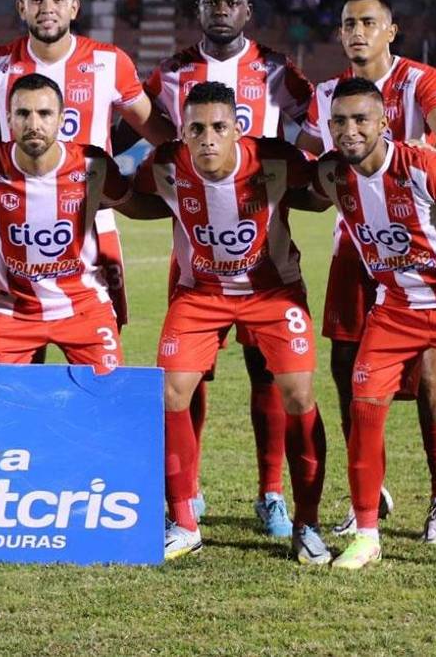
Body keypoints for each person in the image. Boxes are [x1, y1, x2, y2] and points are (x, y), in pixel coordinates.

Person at [130, 0, 315, 536]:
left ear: (247, 10)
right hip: (198, 248)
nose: (221, 11)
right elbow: (135, 124)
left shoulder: (277, 69)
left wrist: (286, 176)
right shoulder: (171, 72)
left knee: (269, 374)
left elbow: (316, 125)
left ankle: (271, 493)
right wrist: (180, 171)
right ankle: (190, 492)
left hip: (261, 243)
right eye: (211, 2)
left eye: (231, 2)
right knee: (190, 378)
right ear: (199, 9)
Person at [317, 79, 436, 579]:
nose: (349, 130)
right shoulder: (331, 174)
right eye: (339, 121)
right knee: (364, 411)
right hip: (395, 310)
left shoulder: (424, 166)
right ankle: (366, 535)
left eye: (360, 119)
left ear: (383, 122)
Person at [133, 82, 330, 565]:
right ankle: (184, 522)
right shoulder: (164, 164)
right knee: (171, 392)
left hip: (273, 293)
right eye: (196, 129)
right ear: (182, 132)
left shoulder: (275, 160)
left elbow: (321, 191)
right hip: (201, 294)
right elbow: (130, 198)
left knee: (299, 395)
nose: (207, 138)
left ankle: (306, 525)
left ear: (238, 128)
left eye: (219, 127)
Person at [296, 0, 436, 541]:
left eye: (369, 22)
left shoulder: (418, 79)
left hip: (414, 246)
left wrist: (418, 173)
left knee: (427, 368)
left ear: (391, 30)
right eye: (349, 24)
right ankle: (370, 489)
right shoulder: (327, 94)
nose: (358, 32)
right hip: (355, 244)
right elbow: (306, 156)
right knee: (346, 366)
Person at [0, 0, 174, 342]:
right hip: (18, 223)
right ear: (21, 8)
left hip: (94, 222)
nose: (47, 8)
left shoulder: (109, 62)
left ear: (74, 8)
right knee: (20, 334)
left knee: (104, 335)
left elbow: (152, 127)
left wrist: (192, 171)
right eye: (36, 0)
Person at [0, 74, 143, 373]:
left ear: (61, 119)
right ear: (9, 118)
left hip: (84, 305)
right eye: (23, 113)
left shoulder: (93, 165)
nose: (33, 124)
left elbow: (136, 206)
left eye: (44, 113)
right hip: (12, 310)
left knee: (109, 394)